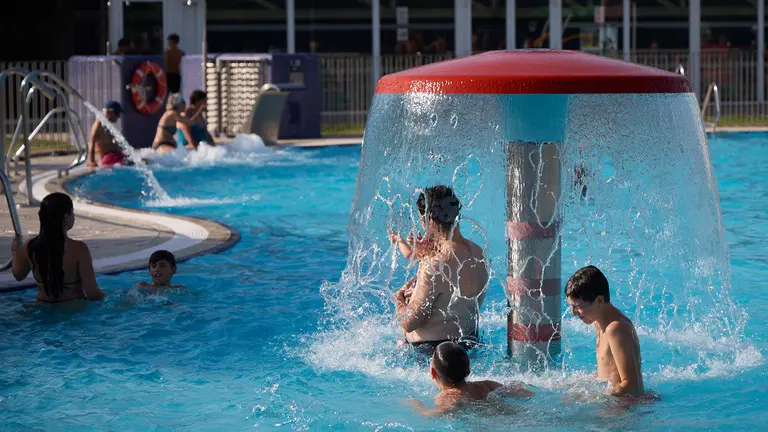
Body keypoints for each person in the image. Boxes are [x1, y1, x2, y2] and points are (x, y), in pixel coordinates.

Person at [393, 185, 489, 355]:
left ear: (428, 219)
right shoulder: (478, 252)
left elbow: (409, 322)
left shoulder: (435, 266)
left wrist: (399, 300)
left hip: (432, 355)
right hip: (468, 347)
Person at [565, 265, 645, 398]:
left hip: (624, 411)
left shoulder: (616, 329)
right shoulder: (598, 322)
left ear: (599, 300)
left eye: (577, 307)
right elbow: (609, 373)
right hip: (615, 404)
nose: (573, 313)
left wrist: (595, 399)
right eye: (571, 307)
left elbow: (631, 386)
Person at [11, 193, 105, 303]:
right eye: (72, 212)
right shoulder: (79, 249)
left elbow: (18, 275)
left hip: (42, 308)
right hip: (72, 311)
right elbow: (93, 294)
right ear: (66, 216)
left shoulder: (30, 245)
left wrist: (15, 251)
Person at [407, 341, 533, 416]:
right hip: (510, 415)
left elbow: (434, 415)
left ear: (433, 372)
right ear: (468, 371)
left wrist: (416, 405)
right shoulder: (487, 385)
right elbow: (525, 393)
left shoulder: (447, 397)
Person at [88, 101, 129, 168]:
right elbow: (91, 142)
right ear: (109, 112)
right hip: (109, 158)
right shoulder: (98, 124)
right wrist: (91, 161)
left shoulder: (107, 125)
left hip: (115, 157)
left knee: (143, 161)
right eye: (117, 113)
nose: (118, 117)